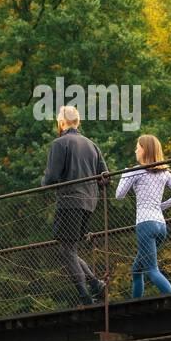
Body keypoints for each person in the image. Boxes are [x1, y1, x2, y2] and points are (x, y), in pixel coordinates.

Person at [41, 106, 108, 303]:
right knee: (70, 249)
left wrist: (43, 184)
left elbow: (51, 177)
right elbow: (105, 178)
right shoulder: (92, 145)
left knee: (66, 250)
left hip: (70, 202)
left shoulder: (60, 143)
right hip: (90, 203)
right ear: (77, 122)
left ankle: (85, 295)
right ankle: (95, 284)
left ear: (61, 123)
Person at [115, 134, 171, 298]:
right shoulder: (164, 171)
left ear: (144, 150)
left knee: (152, 270)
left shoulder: (136, 172)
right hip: (161, 225)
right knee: (136, 270)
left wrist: (125, 174)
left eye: (137, 147)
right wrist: (161, 207)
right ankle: (136, 303)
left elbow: (119, 195)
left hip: (145, 224)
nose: (135, 150)